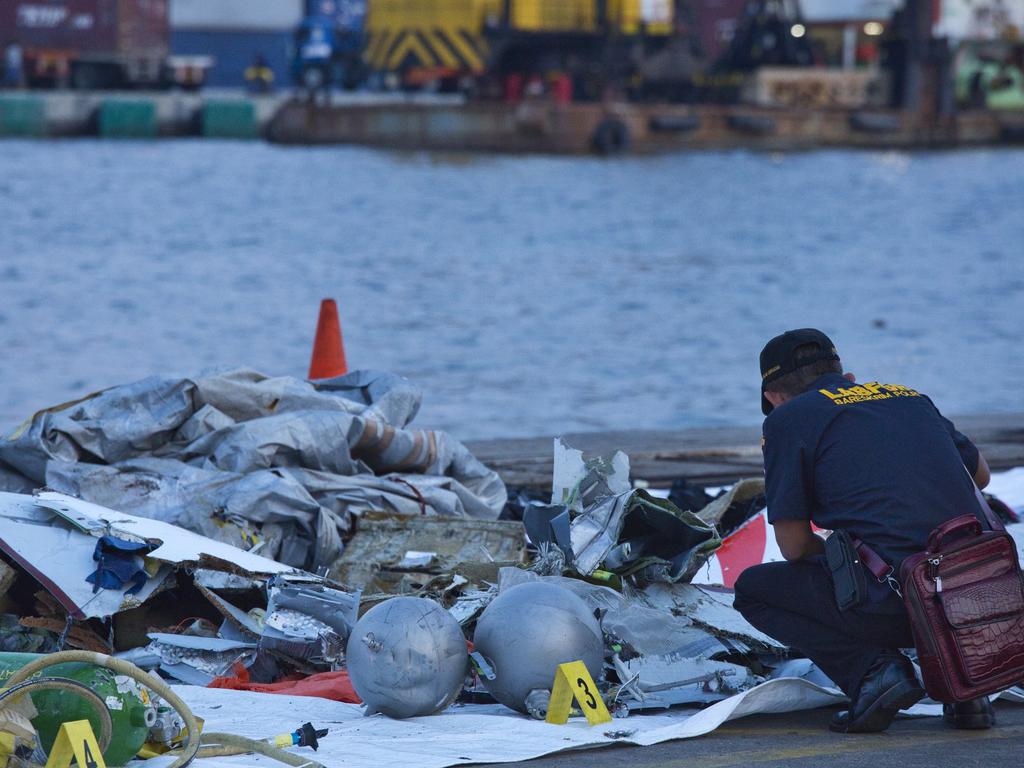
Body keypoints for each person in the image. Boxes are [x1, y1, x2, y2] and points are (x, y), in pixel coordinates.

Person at [733, 328, 994, 734]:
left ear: (774, 398)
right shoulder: (910, 398)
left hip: (903, 602)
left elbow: (794, 547)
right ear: (848, 377)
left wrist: (845, 557)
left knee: (755, 589)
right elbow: (982, 476)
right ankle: (967, 684)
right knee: (925, 554)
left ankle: (875, 673)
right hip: (980, 598)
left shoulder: (788, 421)